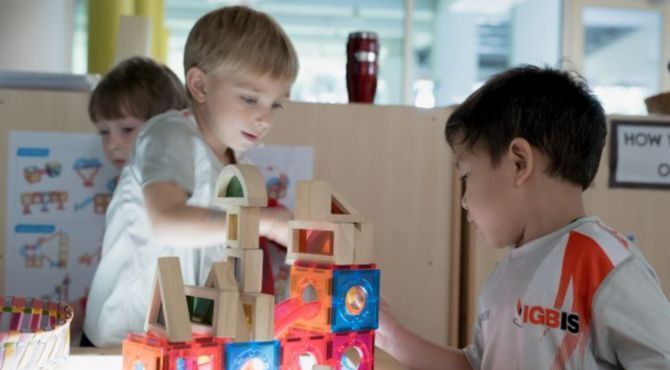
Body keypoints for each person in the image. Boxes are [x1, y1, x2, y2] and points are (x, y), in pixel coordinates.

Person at [377, 66, 670, 369]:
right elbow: (476, 365)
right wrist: (391, 338)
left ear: (519, 163)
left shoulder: (603, 263)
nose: (464, 201)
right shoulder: (503, 275)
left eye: (467, 176)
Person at [83, 5, 298, 347]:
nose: (265, 119)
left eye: (275, 105)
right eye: (250, 99)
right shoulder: (170, 135)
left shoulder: (235, 167)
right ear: (199, 85)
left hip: (177, 341)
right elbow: (166, 221)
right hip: (121, 341)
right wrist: (265, 222)